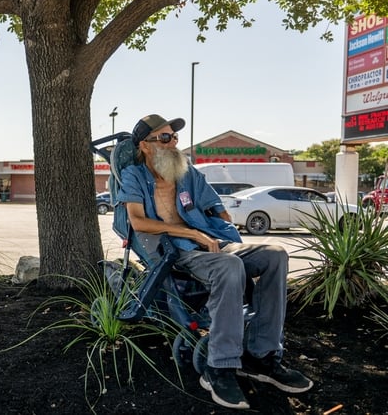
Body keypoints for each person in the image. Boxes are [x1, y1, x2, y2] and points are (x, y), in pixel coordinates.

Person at [116, 114, 313, 410]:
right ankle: (219, 367)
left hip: (211, 242)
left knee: (274, 254)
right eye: (165, 138)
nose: (174, 143)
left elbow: (214, 203)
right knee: (229, 266)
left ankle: (262, 356)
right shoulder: (134, 175)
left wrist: (219, 223)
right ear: (145, 145)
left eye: (175, 137)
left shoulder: (187, 173)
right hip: (175, 250)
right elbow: (138, 221)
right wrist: (189, 232)